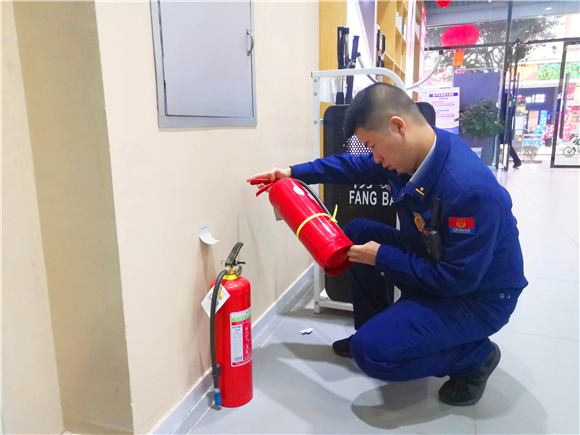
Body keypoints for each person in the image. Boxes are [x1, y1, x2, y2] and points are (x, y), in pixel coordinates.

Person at [247, 83, 527, 406]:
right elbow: (351, 166)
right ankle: (373, 326)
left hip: (478, 296)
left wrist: (382, 257)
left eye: (373, 146)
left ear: (397, 126)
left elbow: (457, 280)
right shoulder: (414, 155)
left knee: (372, 353)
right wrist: (292, 173)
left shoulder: (468, 189)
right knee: (357, 232)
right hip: (433, 257)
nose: (375, 158)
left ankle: (475, 357)